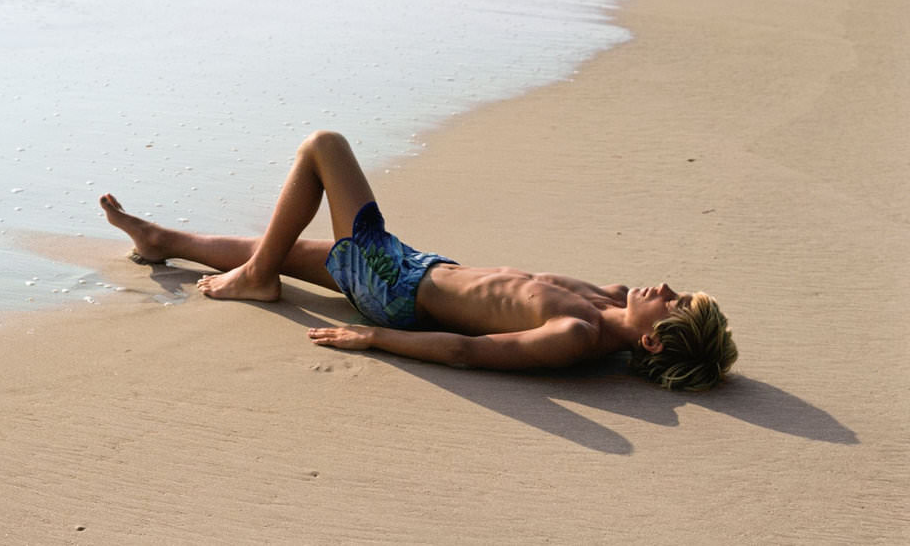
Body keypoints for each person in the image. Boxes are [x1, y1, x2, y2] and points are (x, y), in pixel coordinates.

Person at [100, 130, 737, 391]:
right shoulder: (610, 297)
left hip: (396, 293)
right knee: (287, 247)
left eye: (676, 302)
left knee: (325, 148)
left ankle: (257, 279)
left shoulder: (578, 335)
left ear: (652, 342)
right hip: (417, 266)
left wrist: (373, 336)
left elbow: (469, 352)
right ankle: (162, 241)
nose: (669, 286)